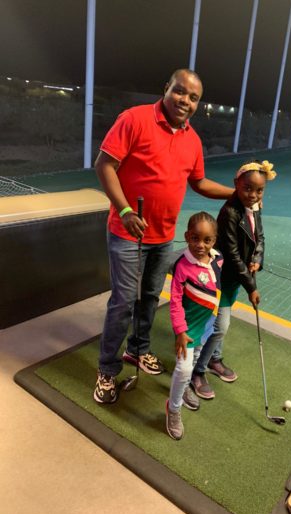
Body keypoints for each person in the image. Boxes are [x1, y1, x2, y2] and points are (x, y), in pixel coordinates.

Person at [93, 69, 233, 404]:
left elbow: (198, 183)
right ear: (166, 89)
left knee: (150, 298)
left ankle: (137, 351)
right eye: (180, 92)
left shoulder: (193, 140)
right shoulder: (135, 119)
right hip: (127, 232)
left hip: (164, 236)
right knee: (123, 302)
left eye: (194, 97)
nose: (185, 101)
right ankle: (107, 370)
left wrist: (237, 194)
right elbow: (104, 165)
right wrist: (126, 210)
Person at [191, 160, 277, 400]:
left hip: (235, 276)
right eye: (247, 188)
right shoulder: (229, 212)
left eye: (259, 190)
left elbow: (259, 237)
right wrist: (251, 285)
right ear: (236, 185)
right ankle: (197, 371)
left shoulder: (256, 206)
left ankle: (213, 359)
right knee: (218, 326)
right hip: (221, 275)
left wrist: (258, 259)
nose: (253, 194)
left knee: (217, 325)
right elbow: (232, 253)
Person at [166, 212, 222, 440]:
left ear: (214, 241)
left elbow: (218, 286)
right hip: (187, 329)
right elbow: (175, 302)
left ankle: (185, 387)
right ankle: (173, 408)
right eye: (195, 238)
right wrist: (180, 331)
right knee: (184, 368)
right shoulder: (182, 266)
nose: (200, 245)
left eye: (207, 240)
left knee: (196, 359)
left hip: (206, 325)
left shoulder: (218, 259)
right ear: (187, 236)